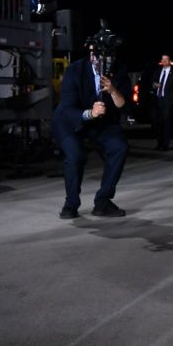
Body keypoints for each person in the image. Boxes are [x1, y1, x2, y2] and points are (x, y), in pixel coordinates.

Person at [52, 42, 131, 219]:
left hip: (101, 122)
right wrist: (90, 112)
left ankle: (103, 201)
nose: (107, 61)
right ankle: (70, 204)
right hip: (71, 121)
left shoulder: (119, 70)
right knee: (75, 156)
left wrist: (112, 90)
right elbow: (67, 108)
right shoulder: (75, 70)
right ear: (92, 54)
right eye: (102, 56)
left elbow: (123, 104)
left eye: (111, 56)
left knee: (119, 147)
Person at [151, 54, 173, 151]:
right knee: (157, 122)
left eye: (166, 59)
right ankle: (159, 143)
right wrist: (154, 85)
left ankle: (165, 144)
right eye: (162, 59)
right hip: (157, 100)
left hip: (168, 101)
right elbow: (152, 82)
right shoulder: (157, 71)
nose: (164, 61)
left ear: (170, 61)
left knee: (166, 123)